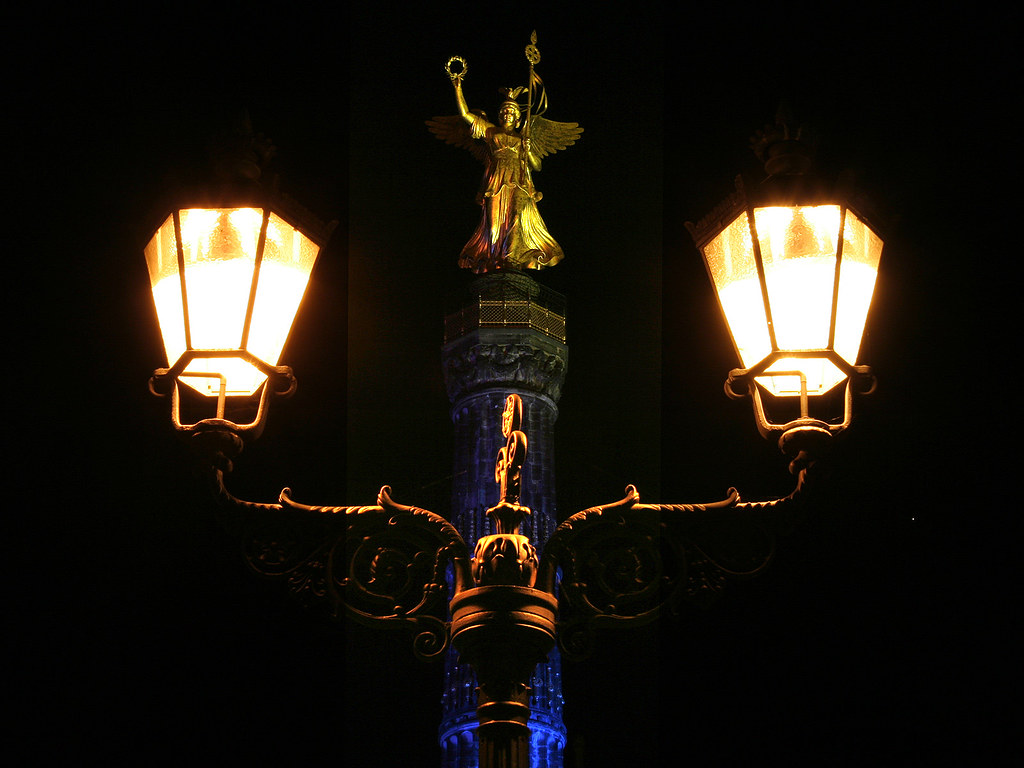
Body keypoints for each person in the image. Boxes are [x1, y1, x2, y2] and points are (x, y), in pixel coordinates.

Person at [428, 67, 582, 273]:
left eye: (512, 111)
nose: (507, 114)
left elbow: (537, 166)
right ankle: (494, 262)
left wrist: (528, 151)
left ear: (518, 117)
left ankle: (511, 262)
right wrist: (458, 86)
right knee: (493, 227)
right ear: (499, 115)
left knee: (516, 218)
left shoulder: (522, 139)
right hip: (495, 182)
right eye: (504, 111)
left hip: (519, 182)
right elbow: (465, 114)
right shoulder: (490, 132)